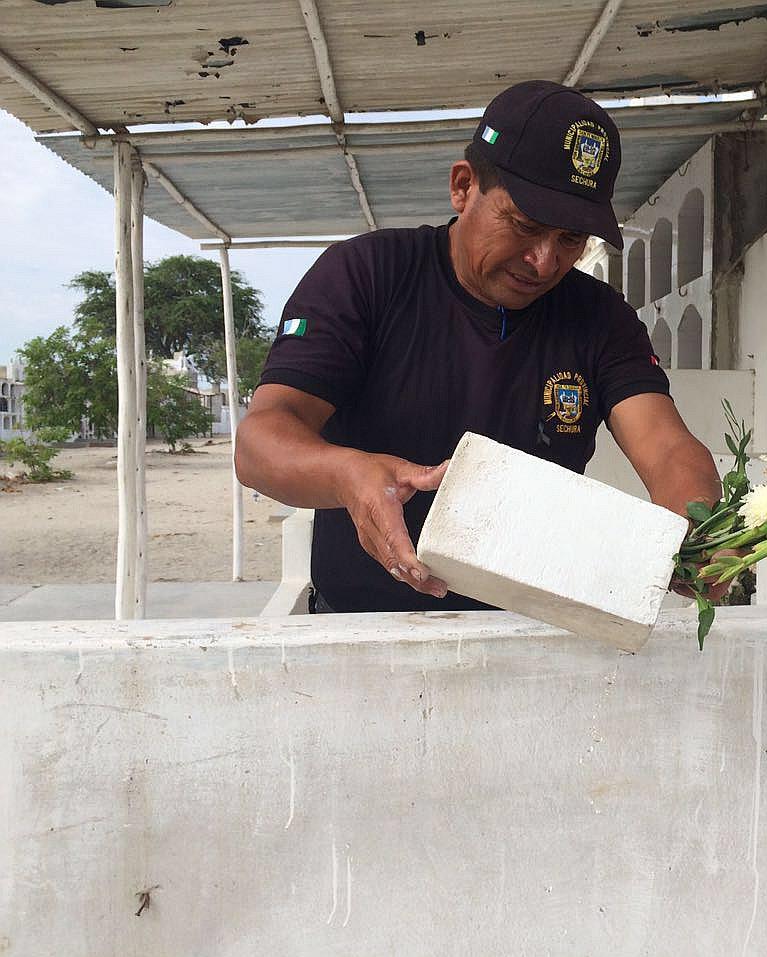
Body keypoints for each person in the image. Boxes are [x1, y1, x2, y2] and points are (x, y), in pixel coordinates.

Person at [235, 80, 725, 614]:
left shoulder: (599, 318)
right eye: (524, 225)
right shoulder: (366, 276)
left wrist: (698, 532)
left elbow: (668, 446)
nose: (544, 262)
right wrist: (347, 474)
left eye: (570, 240)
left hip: (535, 635)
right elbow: (260, 441)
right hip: (359, 634)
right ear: (463, 186)